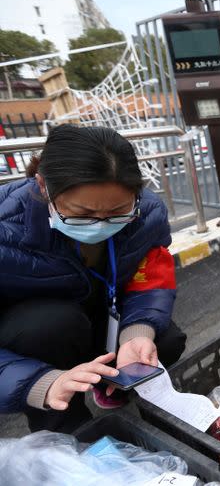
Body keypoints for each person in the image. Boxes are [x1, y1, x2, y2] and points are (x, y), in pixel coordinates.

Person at [0, 125, 186, 433]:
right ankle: (63, 424)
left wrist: (137, 334)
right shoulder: (7, 231)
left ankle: (111, 384)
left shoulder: (147, 212)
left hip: (99, 318)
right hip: (38, 338)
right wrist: (39, 384)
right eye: (82, 214)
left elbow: (151, 276)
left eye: (118, 212)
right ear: (44, 185)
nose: (101, 225)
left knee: (163, 340)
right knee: (53, 325)